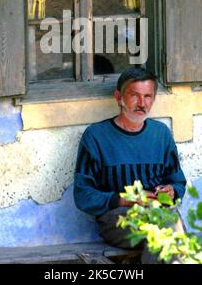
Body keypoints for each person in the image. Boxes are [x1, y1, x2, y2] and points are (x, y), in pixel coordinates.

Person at [73, 67, 186, 252]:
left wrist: (171, 190)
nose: (142, 103)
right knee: (163, 234)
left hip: (160, 213)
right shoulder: (95, 137)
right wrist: (123, 200)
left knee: (168, 230)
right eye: (134, 95)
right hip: (117, 218)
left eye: (148, 96)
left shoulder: (161, 134)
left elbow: (178, 182)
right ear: (119, 97)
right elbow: (83, 195)